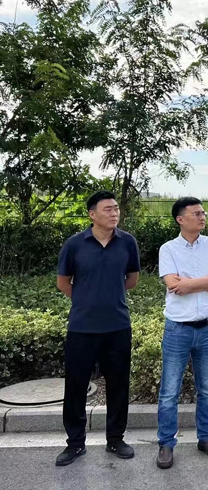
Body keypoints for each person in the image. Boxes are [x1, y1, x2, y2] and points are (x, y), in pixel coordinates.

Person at [55, 190, 140, 466]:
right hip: (81, 327)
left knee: (118, 385)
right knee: (76, 386)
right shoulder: (75, 244)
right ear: (92, 214)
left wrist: (108, 298)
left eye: (116, 208)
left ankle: (115, 439)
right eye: (108, 209)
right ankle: (75, 444)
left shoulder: (127, 242)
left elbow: (132, 279)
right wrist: (86, 300)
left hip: (117, 325)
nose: (114, 213)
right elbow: (63, 282)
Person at [155, 197, 208, 469]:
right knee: (169, 391)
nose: (202, 216)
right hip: (178, 329)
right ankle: (166, 443)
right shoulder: (168, 249)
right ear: (180, 219)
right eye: (196, 213)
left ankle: (205, 438)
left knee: (207, 389)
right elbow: (173, 285)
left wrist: (192, 283)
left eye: (203, 212)